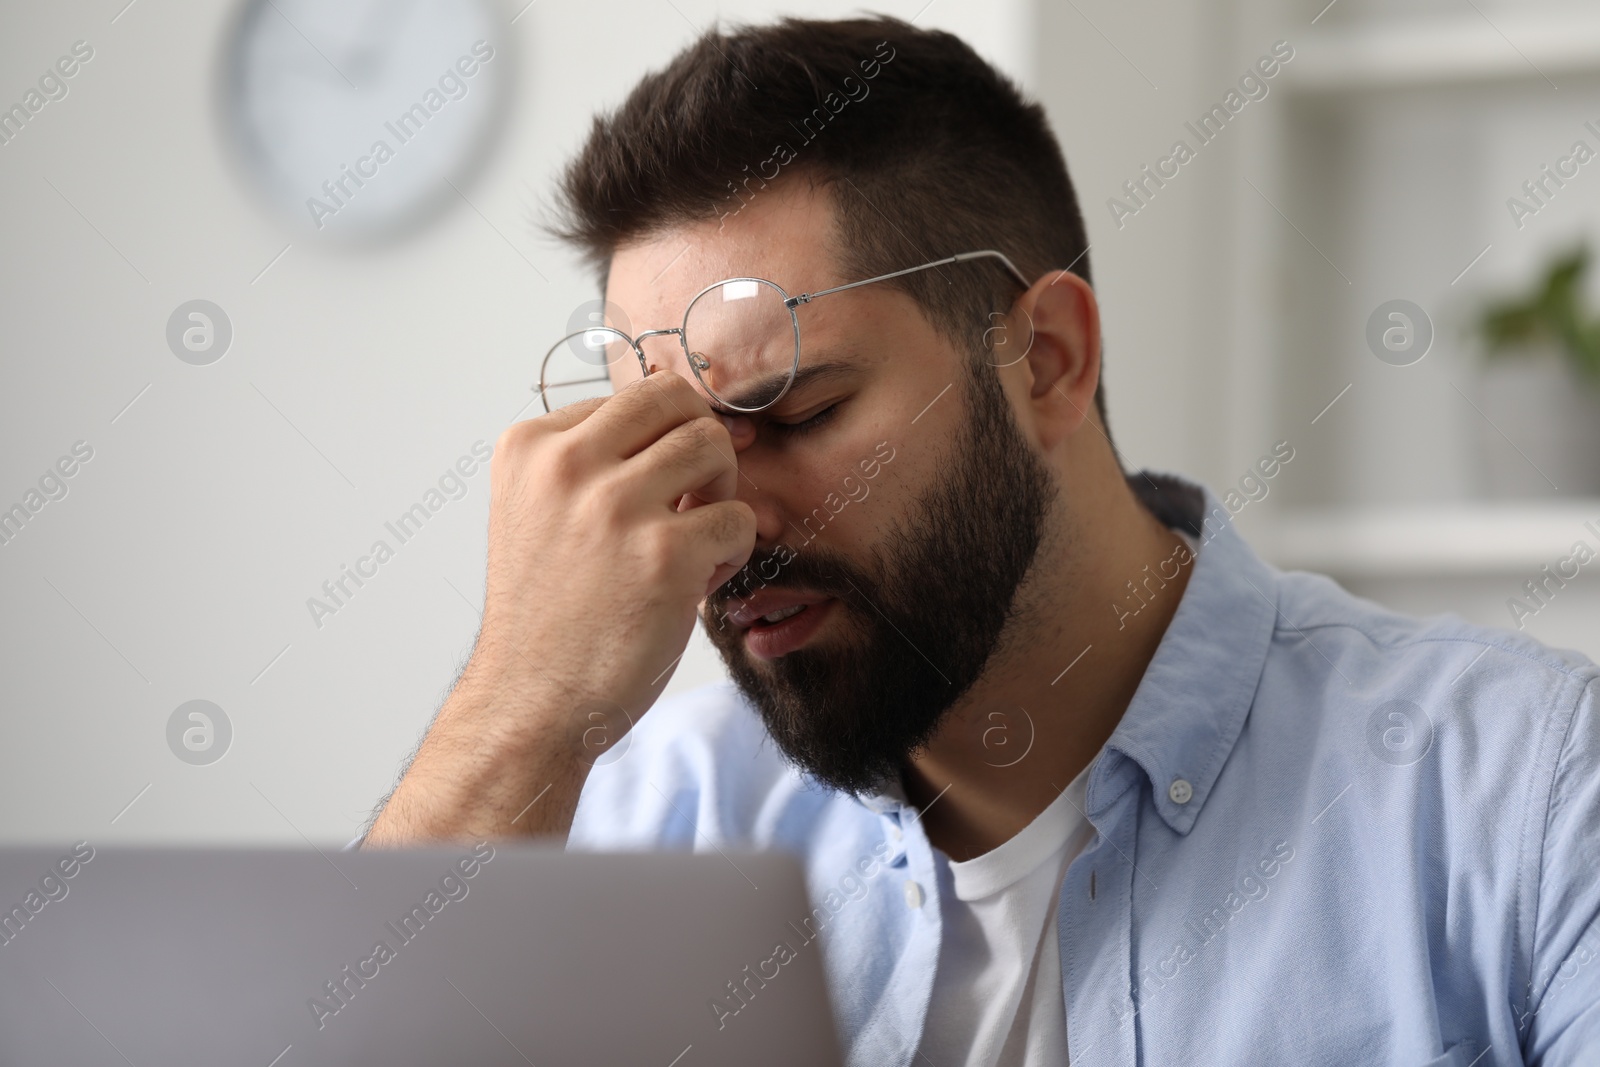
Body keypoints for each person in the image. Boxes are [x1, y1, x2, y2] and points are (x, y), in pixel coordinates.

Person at [362, 15, 1600, 1066]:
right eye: (670, 447)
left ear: (1046, 361)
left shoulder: (1523, 798)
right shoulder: (641, 822)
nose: (723, 529)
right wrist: (519, 711)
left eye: (793, 411)